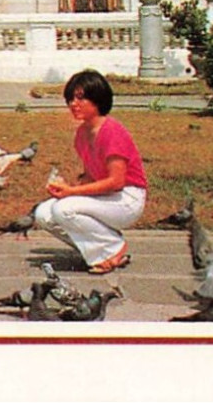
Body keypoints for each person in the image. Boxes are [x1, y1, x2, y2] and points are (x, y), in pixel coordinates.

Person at [32, 68, 148, 275]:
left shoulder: (112, 131)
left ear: (98, 100)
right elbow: (91, 175)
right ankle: (100, 249)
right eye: (70, 99)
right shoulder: (82, 133)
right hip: (107, 197)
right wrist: (67, 189)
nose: (73, 104)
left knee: (64, 209)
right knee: (44, 213)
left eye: (81, 98)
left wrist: (71, 194)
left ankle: (112, 249)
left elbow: (116, 181)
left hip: (126, 199)